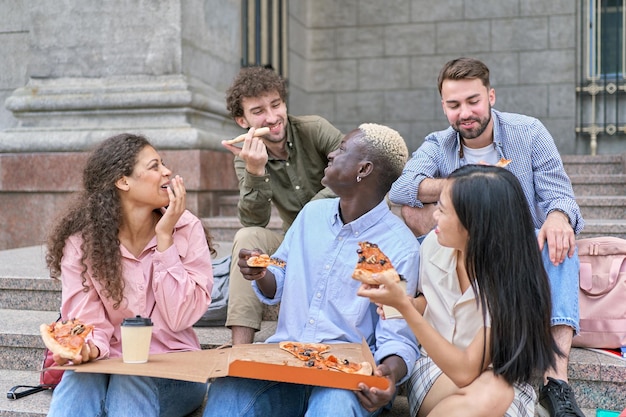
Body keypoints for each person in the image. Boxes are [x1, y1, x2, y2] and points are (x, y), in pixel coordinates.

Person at [389, 57, 584, 417]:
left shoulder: (529, 133)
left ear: (491, 96)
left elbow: (559, 196)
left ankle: (557, 380)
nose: (465, 112)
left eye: (473, 101)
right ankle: (438, 294)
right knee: (412, 211)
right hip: (463, 245)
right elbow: (402, 187)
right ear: (444, 107)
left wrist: (557, 217)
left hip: (523, 242)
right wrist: (466, 187)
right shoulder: (440, 144)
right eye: (454, 104)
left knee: (561, 236)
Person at [202, 123, 420, 417]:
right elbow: (277, 279)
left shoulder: (400, 247)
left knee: (334, 408)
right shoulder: (311, 215)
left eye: (342, 149)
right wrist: (260, 272)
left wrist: (388, 376)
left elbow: (398, 337)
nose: (330, 153)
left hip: (345, 378)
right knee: (227, 391)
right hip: (284, 362)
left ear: (364, 169)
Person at [359, 164, 561, 417]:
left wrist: (403, 307)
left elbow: (467, 369)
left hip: (496, 375)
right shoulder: (433, 244)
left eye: (443, 210)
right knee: (494, 394)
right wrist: (401, 304)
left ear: (475, 223)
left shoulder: (512, 278)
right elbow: (428, 302)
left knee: (495, 390)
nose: (434, 217)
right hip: (433, 369)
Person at [45, 133, 214, 417]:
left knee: (129, 378)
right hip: (109, 365)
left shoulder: (186, 228)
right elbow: (86, 322)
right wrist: (86, 349)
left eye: (164, 163)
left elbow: (180, 317)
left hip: (176, 371)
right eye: (154, 166)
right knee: (78, 378)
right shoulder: (82, 241)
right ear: (123, 181)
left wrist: (165, 240)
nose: (167, 172)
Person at [221, 65, 344, 345]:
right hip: (294, 247)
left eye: (276, 105)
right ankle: (240, 351)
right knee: (247, 238)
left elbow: (354, 171)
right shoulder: (246, 156)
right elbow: (255, 220)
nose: (272, 117)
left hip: (341, 236)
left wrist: (310, 216)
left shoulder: (314, 129)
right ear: (242, 121)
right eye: (258, 111)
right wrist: (256, 172)